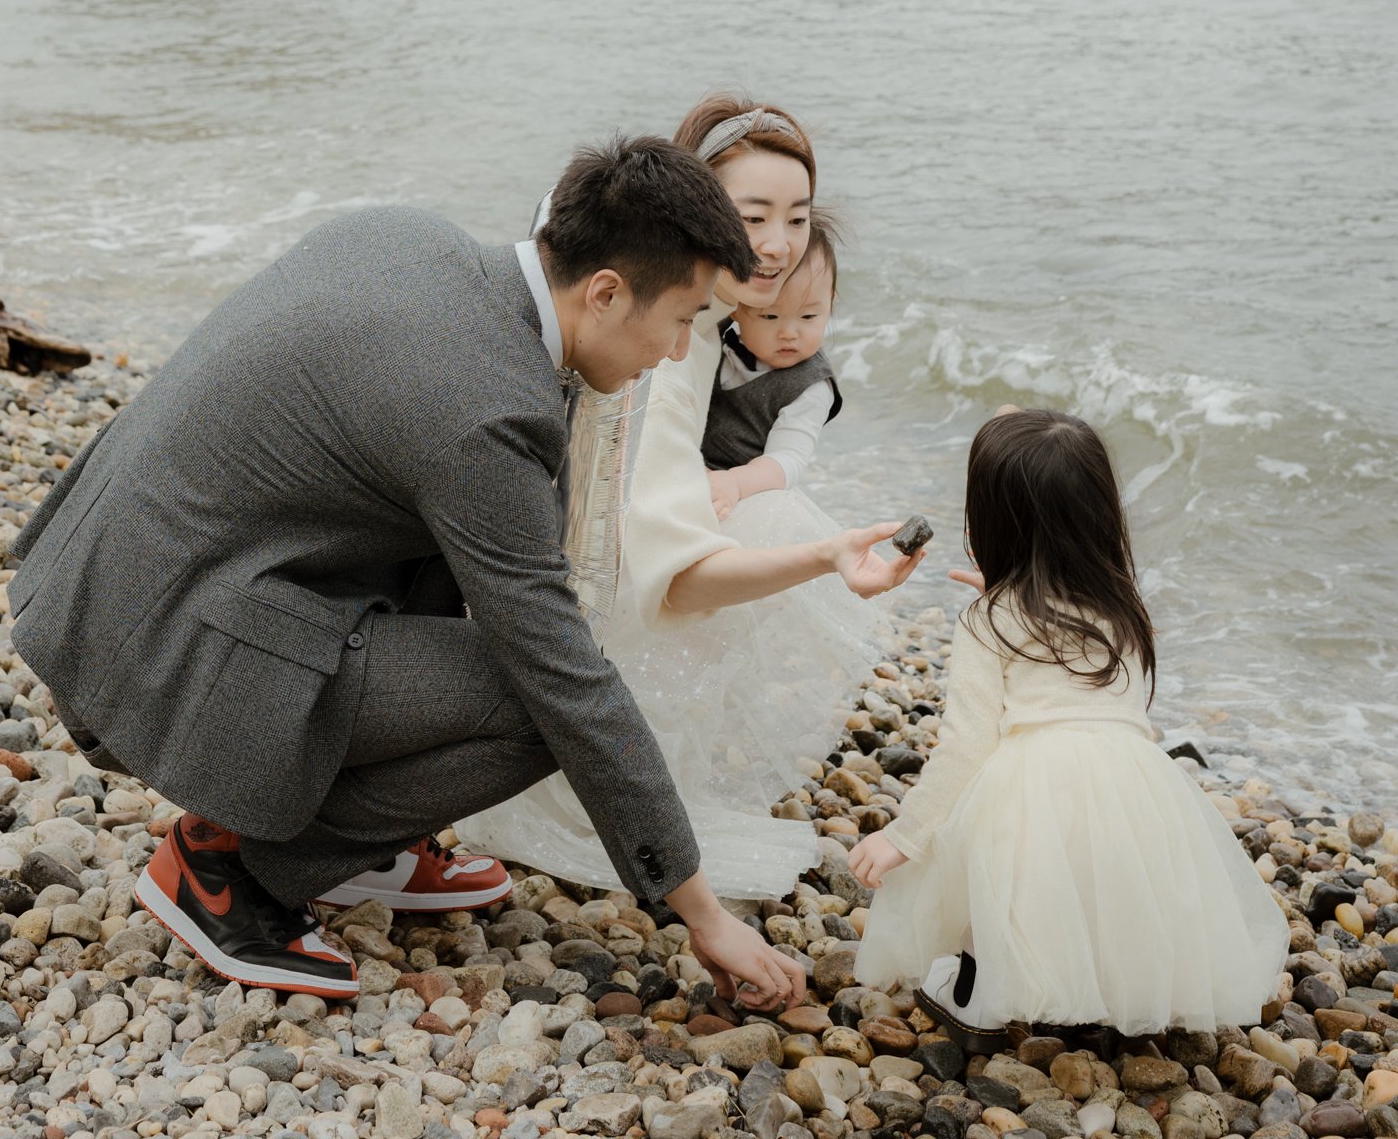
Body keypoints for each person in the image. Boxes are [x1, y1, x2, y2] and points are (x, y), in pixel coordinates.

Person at [8, 138, 807, 1012]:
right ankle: (229, 863)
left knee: (471, 566)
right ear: (606, 291)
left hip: (99, 585)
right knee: (534, 700)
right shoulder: (481, 407)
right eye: (684, 318)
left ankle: (370, 844)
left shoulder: (410, 239)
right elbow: (562, 674)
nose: (679, 349)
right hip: (151, 659)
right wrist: (696, 907)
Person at [462, 98, 922, 897]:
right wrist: (820, 557)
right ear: (695, 206)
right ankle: (625, 780)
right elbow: (674, 568)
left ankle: (637, 764)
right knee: (767, 521)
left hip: (562, 554)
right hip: (593, 575)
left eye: (798, 218)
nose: (779, 246)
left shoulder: (676, 300)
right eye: (753, 216)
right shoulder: (667, 352)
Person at [849, 408, 1288, 1035]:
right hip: (1133, 786)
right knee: (1119, 886)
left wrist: (905, 835)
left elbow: (966, 746)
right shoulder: (1125, 610)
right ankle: (1115, 989)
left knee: (991, 869)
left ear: (992, 526)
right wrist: (1024, 596)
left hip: (1031, 788)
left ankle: (980, 989)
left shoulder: (986, 621)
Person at [702, 213, 843, 520]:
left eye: (808, 317)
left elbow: (787, 459)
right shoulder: (714, 332)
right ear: (737, 307)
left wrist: (735, 483)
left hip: (742, 498)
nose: (790, 333)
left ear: (829, 303)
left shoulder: (812, 387)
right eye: (770, 317)